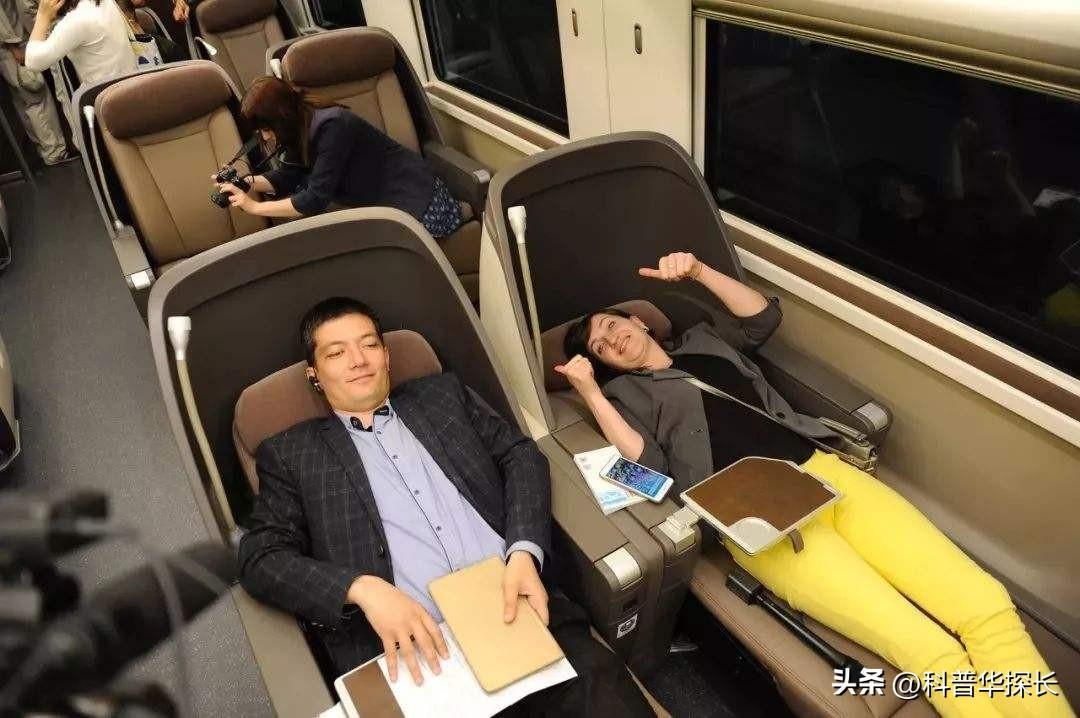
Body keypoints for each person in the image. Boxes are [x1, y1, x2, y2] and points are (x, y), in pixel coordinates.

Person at [556, 252, 1073, 718]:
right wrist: (590, 391)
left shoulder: (704, 340)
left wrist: (698, 271)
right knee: (928, 649)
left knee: (985, 604)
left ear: (638, 321)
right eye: (601, 348)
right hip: (761, 519)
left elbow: (762, 318)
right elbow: (648, 466)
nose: (612, 340)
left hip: (824, 471)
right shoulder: (626, 397)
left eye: (612, 325)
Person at [237, 298, 653, 716]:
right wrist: (361, 588)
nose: (358, 360)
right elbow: (261, 557)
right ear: (314, 374)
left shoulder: (442, 396)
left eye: (369, 345)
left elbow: (520, 455)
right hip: (415, 656)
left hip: (521, 609)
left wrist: (524, 550)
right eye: (336, 352)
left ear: (386, 356)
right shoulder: (293, 454)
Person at [214, 77, 465, 239]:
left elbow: (315, 199)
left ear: (282, 118)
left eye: (266, 129)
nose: (265, 137)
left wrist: (255, 207)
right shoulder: (300, 123)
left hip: (416, 199)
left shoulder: (333, 126)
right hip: (381, 203)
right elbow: (290, 175)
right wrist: (246, 183)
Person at [0, 0, 70, 164]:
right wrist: (14, 46)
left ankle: (49, 151)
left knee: (26, 100)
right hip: (14, 44)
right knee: (34, 95)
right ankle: (54, 152)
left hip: (13, 42)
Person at [23, 0, 136, 86]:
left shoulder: (78, 19)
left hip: (108, 97)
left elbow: (33, 62)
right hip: (129, 86)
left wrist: (42, 16)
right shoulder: (102, 3)